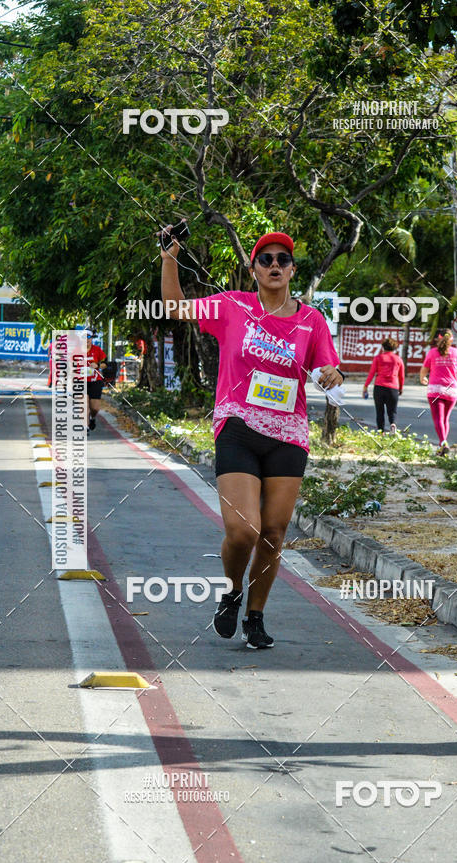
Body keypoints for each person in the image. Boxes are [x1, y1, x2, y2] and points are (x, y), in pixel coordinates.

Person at [161, 227, 344, 649]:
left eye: (283, 259)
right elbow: (175, 308)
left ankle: (255, 616)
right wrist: (170, 257)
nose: (275, 265)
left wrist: (334, 374)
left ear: (293, 270)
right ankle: (232, 591)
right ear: (254, 269)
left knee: (274, 533)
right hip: (238, 426)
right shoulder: (232, 307)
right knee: (244, 531)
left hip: (288, 433)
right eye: (267, 259)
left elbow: (327, 371)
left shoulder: (311, 321)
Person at [419, 330, 457, 455]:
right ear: (452, 339)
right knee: (445, 419)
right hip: (452, 389)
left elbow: (424, 369)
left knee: (438, 418)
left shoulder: (432, 352)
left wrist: (422, 378)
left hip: (435, 389)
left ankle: (443, 442)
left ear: (438, 339)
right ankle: (442, 445)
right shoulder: (456, 352)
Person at [362, 337, 404, 433]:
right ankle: (393, 424)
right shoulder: (398, 359)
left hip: (379, 388)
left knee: (379, 411)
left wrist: (366, 386)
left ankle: (381, 432)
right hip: (393, 388)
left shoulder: (378, 358)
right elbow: (401, 376)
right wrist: (400, 388)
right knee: (392, 411)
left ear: (383, 347)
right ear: (394, 348)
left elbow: (371, 373)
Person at [84, 331, 107, 435]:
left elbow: (105, 364)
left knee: (95, 408)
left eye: (88, 337)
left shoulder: (97, 350)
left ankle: (92, 418)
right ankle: (85, 427)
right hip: (81, 381)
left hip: (95, 382)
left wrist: (97, 365)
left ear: (91, 339)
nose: (86, 339)